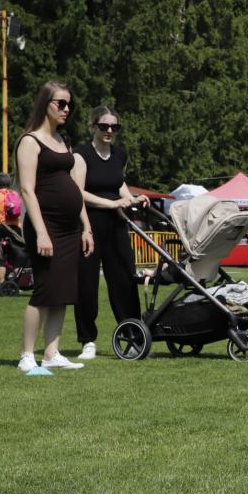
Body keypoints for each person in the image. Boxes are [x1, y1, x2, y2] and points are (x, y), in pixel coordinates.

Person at [16, 81, 94, 372]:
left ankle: (52, 353)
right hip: (46, 225)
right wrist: (41, 232)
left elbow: (75, 189)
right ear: (45, 104)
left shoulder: (63, 141)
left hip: (70, 227)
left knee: (64, 290)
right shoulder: (30, 141)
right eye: (60, 103)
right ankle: (27, 355)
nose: (66, 109)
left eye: (69, 104)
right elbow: (27, 190)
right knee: (45, 290)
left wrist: (86, 227)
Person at [73, 106, 145, 360]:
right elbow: (78, 192)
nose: (110, 131)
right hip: (89, 225)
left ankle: (133, 336)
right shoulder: (81, 155)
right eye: (104, 126)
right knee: (86, 284)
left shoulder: (119, 155)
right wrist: (112, 203)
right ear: (93, 126)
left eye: (115, 127)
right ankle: (87, 341)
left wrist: (133, 198)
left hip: (116, 226)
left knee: (125, 280)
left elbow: (118, 184)